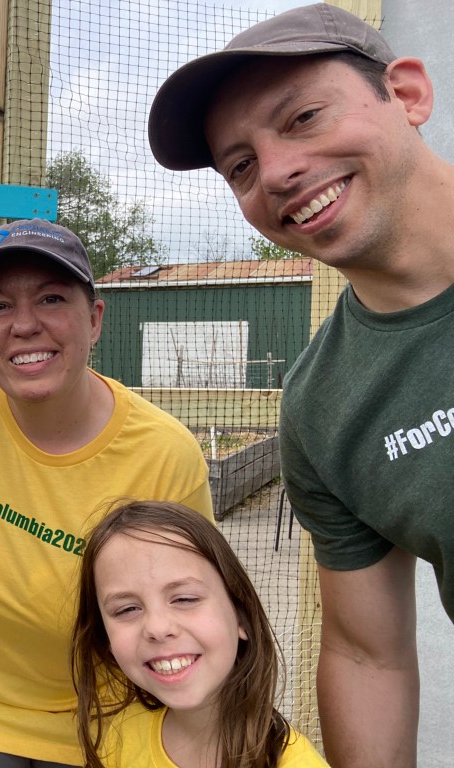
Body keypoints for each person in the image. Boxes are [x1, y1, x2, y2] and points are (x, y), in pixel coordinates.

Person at [146, 4, 454, 766]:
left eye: (304, 117)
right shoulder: (322, 409)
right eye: (240, 167)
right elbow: (366, 656)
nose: (277, 172)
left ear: (408, 93)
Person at [0, 218, 214, 766]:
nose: (23, 325)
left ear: (95, 319)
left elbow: (193, 609)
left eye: (51, 299)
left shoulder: (163, 455)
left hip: (108, 715)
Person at [71, 500, 329, 768]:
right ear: (106, 640)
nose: (158, 628)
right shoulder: (119, 738)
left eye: (184, 599)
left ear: (241, 614)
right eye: (126, 609)